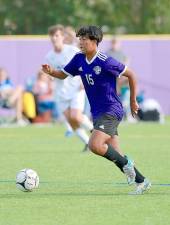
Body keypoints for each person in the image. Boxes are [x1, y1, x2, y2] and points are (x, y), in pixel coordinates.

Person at [42, 25, 151, 195]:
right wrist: (51, 72)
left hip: (111, 109)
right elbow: (63, 74)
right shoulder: (78, 59)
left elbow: (131, 74)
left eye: (84, 39)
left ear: (94, 41)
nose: (81, 42)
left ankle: (128, 164)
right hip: (97, 112)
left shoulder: (105, 60)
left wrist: (132, 100)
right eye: (80, 39)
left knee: (94, 145)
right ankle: (142, 181)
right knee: (117, 153)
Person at [45, 24, 93, 151]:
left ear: (62, 37)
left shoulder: (72, 50)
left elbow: (85, 63)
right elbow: (51, 74)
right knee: (71, 121)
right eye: (52, 36)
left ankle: (96, 132)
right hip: (61, 93)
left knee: (76, 116)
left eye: (57, 35)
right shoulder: (49, 56)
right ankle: (88, 143)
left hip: (76, 88)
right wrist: (49, 76)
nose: (54, 38)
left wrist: (84, 80)